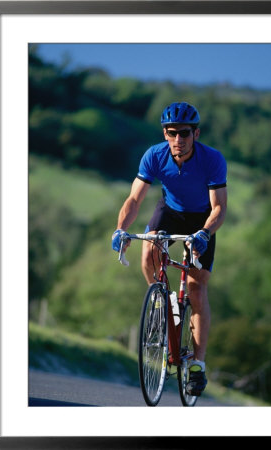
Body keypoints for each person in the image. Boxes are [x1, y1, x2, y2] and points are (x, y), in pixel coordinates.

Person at [112, 102, 227, 396]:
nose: (179, 139)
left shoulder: (212, 159)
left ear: (196, 133)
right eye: (172, 132)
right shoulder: (154, 155)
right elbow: (135, 200)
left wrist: (204, 233)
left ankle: (198, 365)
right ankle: (163, 302)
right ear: (165, 134)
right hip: (171, 211)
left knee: (196, 288)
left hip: (202, 218)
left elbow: (219, 208)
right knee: (148, 253)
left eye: (185, 133)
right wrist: (121, 229)